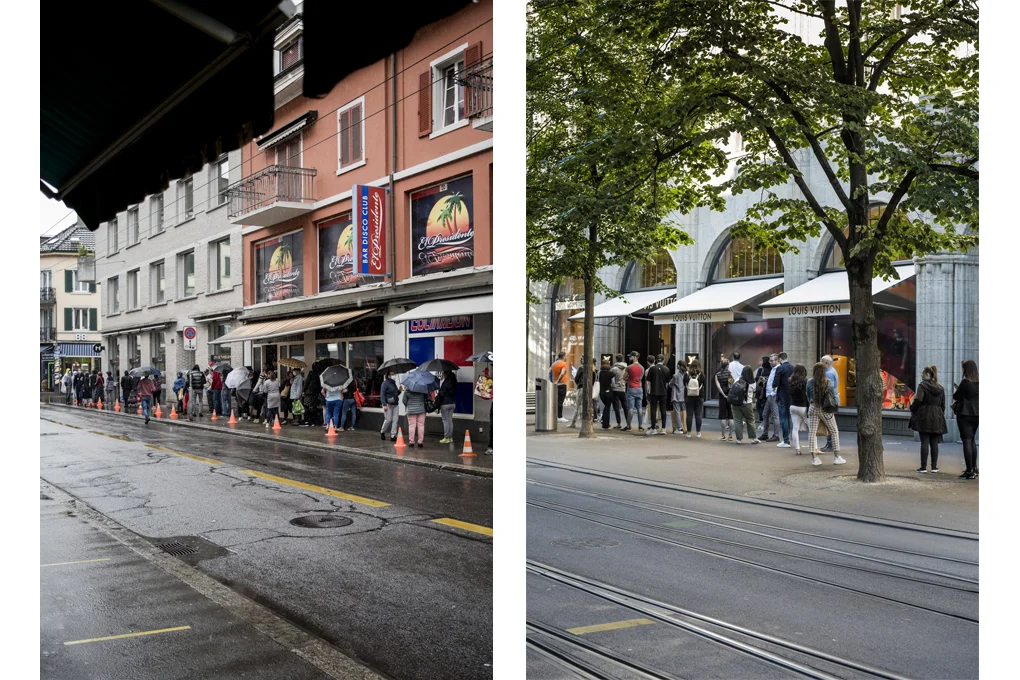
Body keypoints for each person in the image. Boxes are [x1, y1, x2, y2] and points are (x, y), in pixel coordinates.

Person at [909, 365, 947, 473]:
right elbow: (943, 404)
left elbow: (918, 399)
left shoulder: (922, 386)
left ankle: (923, 467)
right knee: (934, 442)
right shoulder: (940, 387)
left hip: (924, 415)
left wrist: (913, 408)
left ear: (927, 374)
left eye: (922, 373)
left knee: (924, 442)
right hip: (937, 416)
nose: (921, 375)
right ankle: (934, 467)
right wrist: (939, 414)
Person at [807, 362, 845, 466]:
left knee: (812, 433)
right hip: (825, 409)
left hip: (813, 407)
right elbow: (831, 395)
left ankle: (814, 459)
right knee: (834, 431)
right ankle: (837, 457)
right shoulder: (828, 382)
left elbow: (808, 395)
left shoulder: (810, 382)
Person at [953, 360, 979, 479]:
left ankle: (969, 470)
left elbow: (956, 396)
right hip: (977, 414)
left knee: (967, 441)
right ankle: (974, 468)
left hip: (965, 414)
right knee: (972, 440)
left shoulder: (965, 382)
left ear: (966, 369)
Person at [731, 365, 758, 444]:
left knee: (737, 421)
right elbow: (754, 392)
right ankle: (753, 438)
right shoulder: (753, 383)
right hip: (747, 403)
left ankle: (739, 439)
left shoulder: (737, 380)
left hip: (736, 403)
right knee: (750, 420)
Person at [645, 354, 671, 436]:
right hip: (663, 392)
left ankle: (653, 428)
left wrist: (648, 392)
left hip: (654, 392)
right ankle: (663, 428)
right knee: (663, 410)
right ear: (663, 360)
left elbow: (648, 382)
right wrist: (664, 389)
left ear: (656, 360)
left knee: (653, 409)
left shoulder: (652, 369)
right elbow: (667, 383)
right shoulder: (666, 369)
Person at [757, 354, 781, 442]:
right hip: (769, 395)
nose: (770, 362)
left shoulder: (778, 369)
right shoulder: (774, 369)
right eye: (770, 361)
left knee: (775, 416)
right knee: (765, 414)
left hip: (772, 395)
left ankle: (776, 435)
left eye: (772, 361)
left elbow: (778, 382)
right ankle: (765, 434)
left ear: (777, 360)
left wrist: (772, 393)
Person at [819, 356, 840, 451]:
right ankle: (830, 444)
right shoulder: (831, 371)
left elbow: (830, 387)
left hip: (830, 400)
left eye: (821, 362)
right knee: (830, 422)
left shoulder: (829, 373)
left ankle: (830, 444)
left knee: (830, 422)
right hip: (832, 399)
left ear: (826, 363)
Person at [774, 352, 794, 448]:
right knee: (789, 418)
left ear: (780, 359)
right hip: (790, 396)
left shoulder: (780, 368)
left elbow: (775, 383)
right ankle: (788, 438)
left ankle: (786, 440)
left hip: (782, 395)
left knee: (783, 418)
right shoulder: (793, 368)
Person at [789, 364, 809, 455]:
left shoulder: (790, 380)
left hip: (793, 406)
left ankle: (797, 449)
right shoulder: (806, 381)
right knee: (811, 428)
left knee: (795, 428)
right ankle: (815, 447)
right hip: (803, 407)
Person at [683, 359, 705, 438]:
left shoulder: (687, 374)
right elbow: (704, 384)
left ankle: (689, 433)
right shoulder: (701, 374)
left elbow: (684, 384)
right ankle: (698, 432)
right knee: (698, 414)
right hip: (699, 396)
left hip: (688, 396)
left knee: (689, 415)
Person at [625, 352, 645, 431]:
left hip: (631, 388)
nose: (630, 358)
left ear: (634, 357)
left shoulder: (629, 367)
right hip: (639, 388)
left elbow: (624, 377)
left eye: (631, 356)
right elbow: (640, 378)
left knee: (630, 408)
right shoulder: (642, 368)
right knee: (639, 408)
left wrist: (629, 379)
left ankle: (628, 425)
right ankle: (640, 426)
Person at [715, 359, 734, 440]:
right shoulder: (730, 374)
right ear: (727, 365)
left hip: (722, 396)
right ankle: (730, 435)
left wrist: (723, 394)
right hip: (730, 395)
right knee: (731, 416)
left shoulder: (717, 375)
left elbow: (718, 387)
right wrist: (728, 394)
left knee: (723, 417)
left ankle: (723, 435)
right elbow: (731, 385)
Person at [437, 370, 458, 443]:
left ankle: (446, 437)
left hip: (445, 404)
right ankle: (450, 438)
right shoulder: (453, 382)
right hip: (452, 403)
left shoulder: (445, 383)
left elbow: (442, 394)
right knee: (450, 420)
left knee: (445, 421)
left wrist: (439, 391)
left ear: (446, 375)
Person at [610, 354, 630, 429]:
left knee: (616, 407)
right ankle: (628, 423)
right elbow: (627, 377)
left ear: (616, 360)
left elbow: (611, 379)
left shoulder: (614, 369)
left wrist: (614, 386)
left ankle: (618, 423)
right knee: (625, 406)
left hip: (615, 389)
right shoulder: (627, 368)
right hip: (623, 389)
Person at [550, 351, 571, 423]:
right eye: (565, 356)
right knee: (560, 401)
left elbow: (549, 372)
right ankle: (560, 417)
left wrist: (552, 381)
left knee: (555, 401)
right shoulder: (564, 364)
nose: (566, 357)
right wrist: (558, 381)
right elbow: (562, 373)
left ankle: (555, 416)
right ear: (563, 357)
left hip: (555, 385)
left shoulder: (554, 363)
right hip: (561, 385)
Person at [380, 369, 400, 440]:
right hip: (388, 404)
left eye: (394, 374)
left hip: (395, 404)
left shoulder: (394, 383)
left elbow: (396, 394)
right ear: (388, 375)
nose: (394, 375)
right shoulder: (385, 383)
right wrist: (384, 404)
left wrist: (399, 390)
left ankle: (393, 435)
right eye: (392, 374)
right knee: (388, 420)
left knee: (395, 420)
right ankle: (382, 431)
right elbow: (382, 395)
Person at [668, 360, 687, 434]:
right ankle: (685, 426)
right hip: (684, 395)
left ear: (679, 366)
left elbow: (670, 384)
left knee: (677, 412)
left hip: (676, 396)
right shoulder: (686, 374)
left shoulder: (675, 376)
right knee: (684, 411)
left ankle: (679, 428)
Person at [598, 359, 617, 430]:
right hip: (609, 392)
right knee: (607, 408)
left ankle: (604, 421)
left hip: (601, 392)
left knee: (606, 407)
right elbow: (613, 384)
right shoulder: (611, 374)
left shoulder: (599, 373)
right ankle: (605, 424)